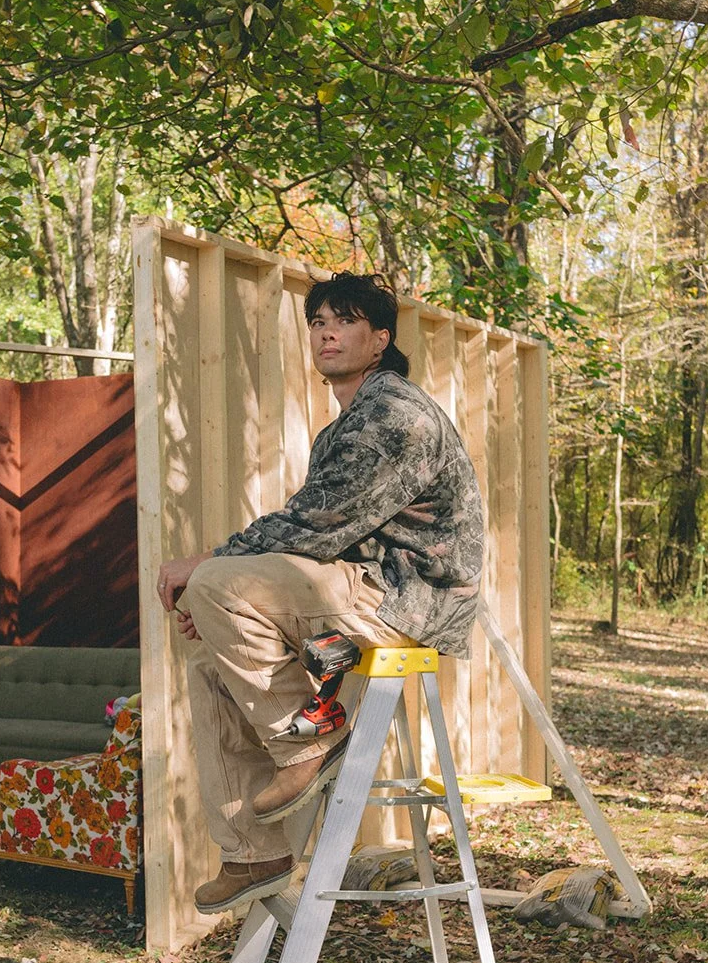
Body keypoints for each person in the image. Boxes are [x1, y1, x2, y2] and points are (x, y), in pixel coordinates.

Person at [157, 272, 485, 914]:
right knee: (209, 660)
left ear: (380, 338)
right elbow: (316, 545)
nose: (327, 333)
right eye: (317, 322)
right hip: (363, 587)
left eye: (345, 320)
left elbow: (317, 525)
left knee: (216, 581)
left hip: (408, 599)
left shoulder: (395, 415)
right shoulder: (342, 429)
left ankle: (310, 741)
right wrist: (217, 605)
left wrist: (209, 573)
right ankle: (253, 852)